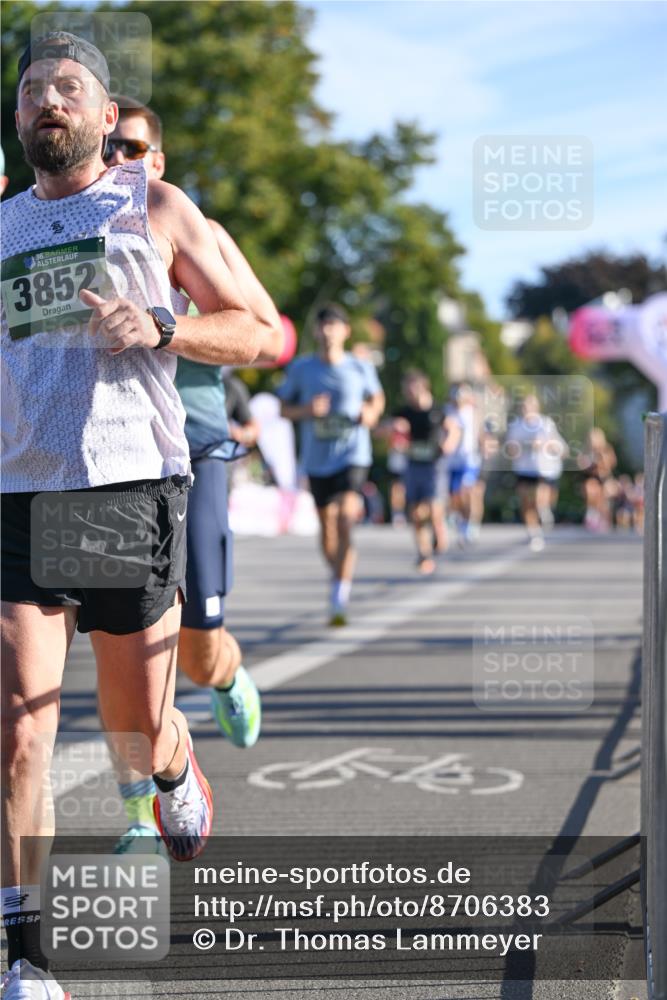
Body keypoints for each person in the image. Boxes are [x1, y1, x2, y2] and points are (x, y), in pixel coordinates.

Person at [0, 33, 278, 998]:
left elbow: (260, 329)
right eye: (32, 87)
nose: (46, 99)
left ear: (106, 117)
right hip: (18, 499)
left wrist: (162, 325)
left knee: (132, 730)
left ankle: (174, 769)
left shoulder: (153, 207)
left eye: (67, 87)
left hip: (127, 493)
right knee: (20, 732)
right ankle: (26, 961)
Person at [102, 100, 283, 853]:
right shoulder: (60, 229)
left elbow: (268, 335)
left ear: (159, 162)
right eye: (107, 147)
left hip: (197, 447)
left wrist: (172, 326)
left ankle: (227, 673)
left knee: (198, 646)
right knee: (123, 647)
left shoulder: (191, 228)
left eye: (134, 148)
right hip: (112, 462)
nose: (117, 160)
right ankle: (142, 817)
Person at [277, 303, 385, 625]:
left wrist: (372, 414)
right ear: (316, 331)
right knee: (327, 529)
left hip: (353, 455)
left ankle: (340, 595)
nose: (328, 331)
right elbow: (282, 408)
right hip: (317, 459)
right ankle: (338, 573)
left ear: (345, 332)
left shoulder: (360, 367)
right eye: (323, 325)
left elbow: (376, 399)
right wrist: (307, 410)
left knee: (345, 518)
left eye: (334, 325)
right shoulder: (301, 368)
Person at [391, 370, 447, 574]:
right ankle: (424, 555)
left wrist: (448, 443)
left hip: (434, 465)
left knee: (432, 509)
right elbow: (382, 428)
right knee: (416, 512)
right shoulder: (403, 412)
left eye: (410, 387)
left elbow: (453, 429)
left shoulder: (437, 411)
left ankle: (439, 528)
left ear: (422, 387)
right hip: (413, 465)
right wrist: (393, 427)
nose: (407, 392)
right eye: (405, 388)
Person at [505, 394, 568, 550]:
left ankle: (544, 512)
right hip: (524, 469)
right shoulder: (516, 426)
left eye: (529, 406)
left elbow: (559, 446)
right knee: (526, 503)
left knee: (540, 499)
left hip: (543, 468)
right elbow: (510, 448)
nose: (526, 410)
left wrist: (544, 444)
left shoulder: (545, 424)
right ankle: (534, 534)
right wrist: (516, 449)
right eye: (524, 407)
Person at [442, 383, 482, 546]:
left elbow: (480, 430)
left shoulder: (472, 412)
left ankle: (469, 524)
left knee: (467, 490)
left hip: (469, 459)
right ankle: (459, 519)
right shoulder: (446, 411)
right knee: (454, 495)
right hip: (451, 459)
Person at [578, 427, 618, 532]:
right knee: (590, 488)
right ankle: (591, 512)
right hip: (591, 476)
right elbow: (582, 465)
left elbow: (611, 464)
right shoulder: (586, 450)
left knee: (604, 495)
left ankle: (603, 518)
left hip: (604, 476)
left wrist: (601, 457)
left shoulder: (606, 449)